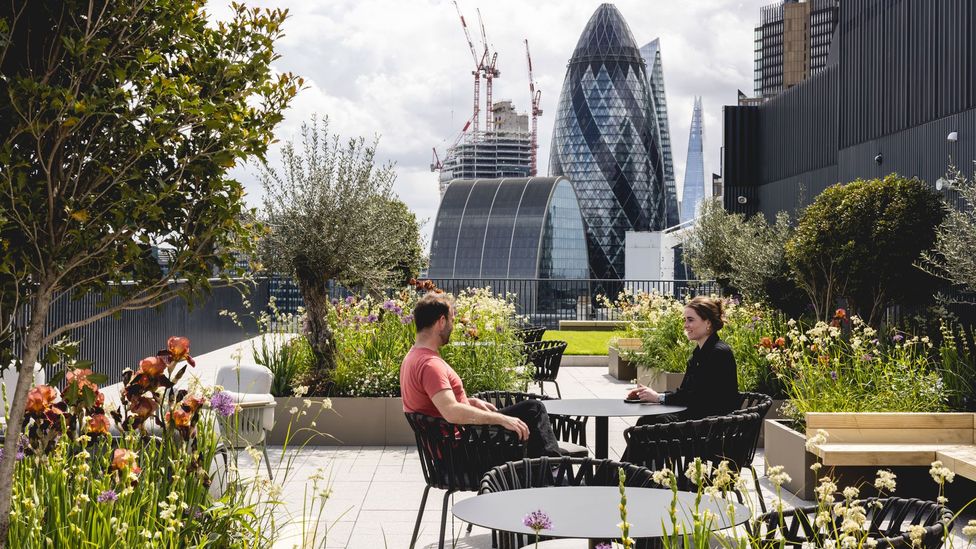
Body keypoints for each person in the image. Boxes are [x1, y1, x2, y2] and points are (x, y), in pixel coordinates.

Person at [400, 292, 564, 457]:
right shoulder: (430, 365)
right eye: (452, 321)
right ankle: (554, 470)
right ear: (441, 322)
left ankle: (547, 469)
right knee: (533, 410)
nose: (453, 326)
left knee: (530, 414)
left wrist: (468, 402)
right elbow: (451, 412)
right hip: (462, 452)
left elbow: (436, 404)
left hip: (453, 446)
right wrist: (501, 419)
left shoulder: (412, 357)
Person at [626, 296, 740, 424]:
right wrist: (649, 395)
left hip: (710, 426)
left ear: (708, 323)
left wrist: (658, 397)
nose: (685, 325)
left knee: (648, 423)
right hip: (698, 418)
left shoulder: (718, 353)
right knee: (646, 421)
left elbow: (697, 398)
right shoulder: (699, 353)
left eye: (690, 320)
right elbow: (686, 393)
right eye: (685, 320)